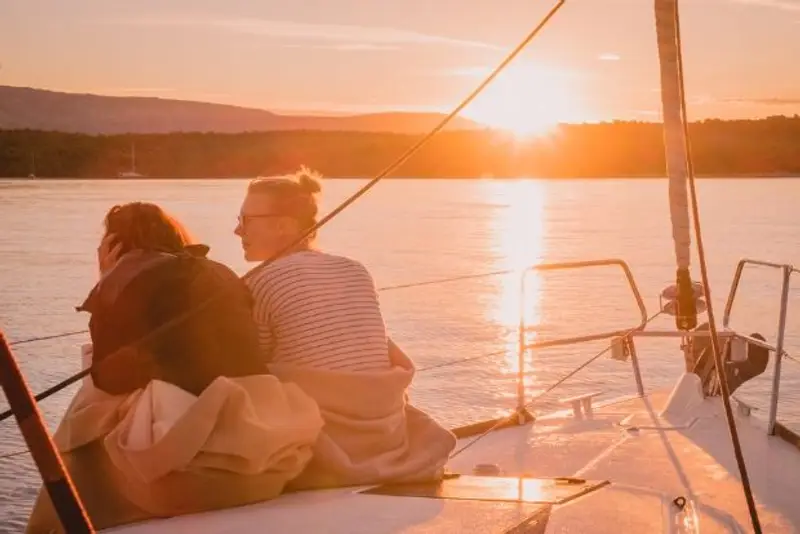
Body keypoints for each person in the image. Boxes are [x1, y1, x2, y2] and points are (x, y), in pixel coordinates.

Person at [26, 202, 323, 533]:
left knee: (83, 423)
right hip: (264, 468)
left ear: (113, 245)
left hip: (185, 481)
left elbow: (107, 378)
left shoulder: (123, 279)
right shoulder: (220, 272)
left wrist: (106, 281)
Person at [235, 167, 456, 490]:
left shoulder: (262, 282)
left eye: (245, 220)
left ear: (283, 225)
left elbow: (254, 369)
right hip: (385, 432)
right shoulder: (355, 270)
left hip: (328, 439)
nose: (237, 231)